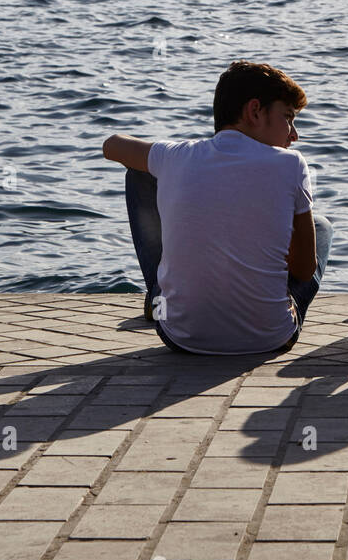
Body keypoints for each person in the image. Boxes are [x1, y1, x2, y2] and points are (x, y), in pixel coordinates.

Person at [103, 60, 333, 356]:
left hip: (179, 334)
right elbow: (303, 270)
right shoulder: (292, 164)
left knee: (140, 170)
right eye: (288, 118)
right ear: (254, 111)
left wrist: (169, 161)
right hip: (270, 337)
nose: (294, 134)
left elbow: (111, 145)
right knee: (322, 227)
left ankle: (157, 296)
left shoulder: (177, 155)